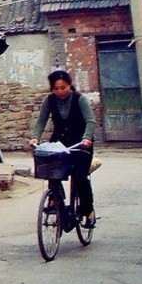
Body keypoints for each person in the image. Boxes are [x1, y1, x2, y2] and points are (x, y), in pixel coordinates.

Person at [28, 69, 96, 226]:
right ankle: (55, 198)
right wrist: (35, 137)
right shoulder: (50, 100)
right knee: (51, 170)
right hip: (59, 143)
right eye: (56, 88)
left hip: (80, 144)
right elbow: (41, 121)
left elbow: (90, 122)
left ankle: (88, 211)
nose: (60, 91)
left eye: (63, 87)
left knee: (80, 177)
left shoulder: (80, 99)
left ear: (70, 85)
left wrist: (87, 138)